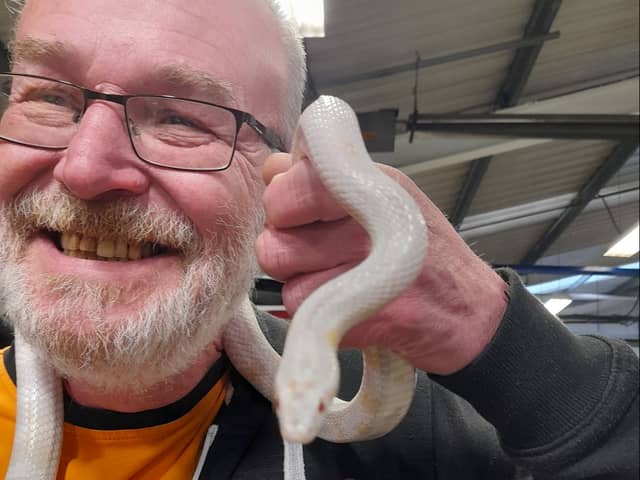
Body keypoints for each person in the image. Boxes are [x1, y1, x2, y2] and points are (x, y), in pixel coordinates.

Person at [0, 0, 637, 478]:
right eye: (49, 98)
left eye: (183, 118)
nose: (83, 169)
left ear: (276, 181)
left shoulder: (420, 439)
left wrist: (490, 330)